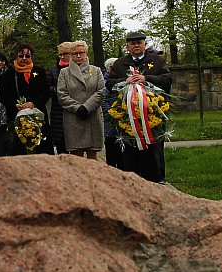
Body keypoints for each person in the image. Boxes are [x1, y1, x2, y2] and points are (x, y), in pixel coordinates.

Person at [105, 31, 172, 182]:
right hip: (128, 116)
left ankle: (156, 180)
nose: (136, 46)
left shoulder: (157, 61)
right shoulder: (119, 63)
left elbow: (167, 79)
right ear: (128, 46)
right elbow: (109, 83)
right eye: (133, 43)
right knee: (129, 152)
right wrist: (125, 81)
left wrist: (145, 78)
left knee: (153, 150)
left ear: (144, 44)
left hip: (152, 114)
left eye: (139, 43)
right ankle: (132, 181)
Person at [0, 42, 52, 155]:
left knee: (41, 150)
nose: (24, 58)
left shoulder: (40, 72)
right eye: (21, 56)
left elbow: (46, 92)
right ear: (16, 56)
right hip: (16, 118)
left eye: (27, 56)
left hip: (38, 117)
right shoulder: (9, 73)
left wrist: (34, 103)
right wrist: (14, 104)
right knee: (18, 151)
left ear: (32, 57)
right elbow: (2, 95)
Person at [56, 40, 105, 158]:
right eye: (75, 53)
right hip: (73, 118)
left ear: (86, 54)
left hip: (92, 117)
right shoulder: (64, 73)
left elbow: (101, 91)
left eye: (81, 53)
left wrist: (87, 107)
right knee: (76, 157)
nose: (78, 56)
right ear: (71, 55)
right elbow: (62, 94)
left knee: (93, 155)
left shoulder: (96, 70)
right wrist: (78, 108)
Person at [48, 41, 72, 155]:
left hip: (74, 110)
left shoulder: (78, 69)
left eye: (65, 54)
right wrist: (57, 90)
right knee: (61, 145)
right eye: (60, 54)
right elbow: (47, 87)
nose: (62, 57)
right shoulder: (53, 70)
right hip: (58, 111)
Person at [102, 57, 121, 167]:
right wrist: (111, 112)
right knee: (111, 143)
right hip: (110, 118)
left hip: (120, 115)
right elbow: (104, 100)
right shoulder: (105, 81)